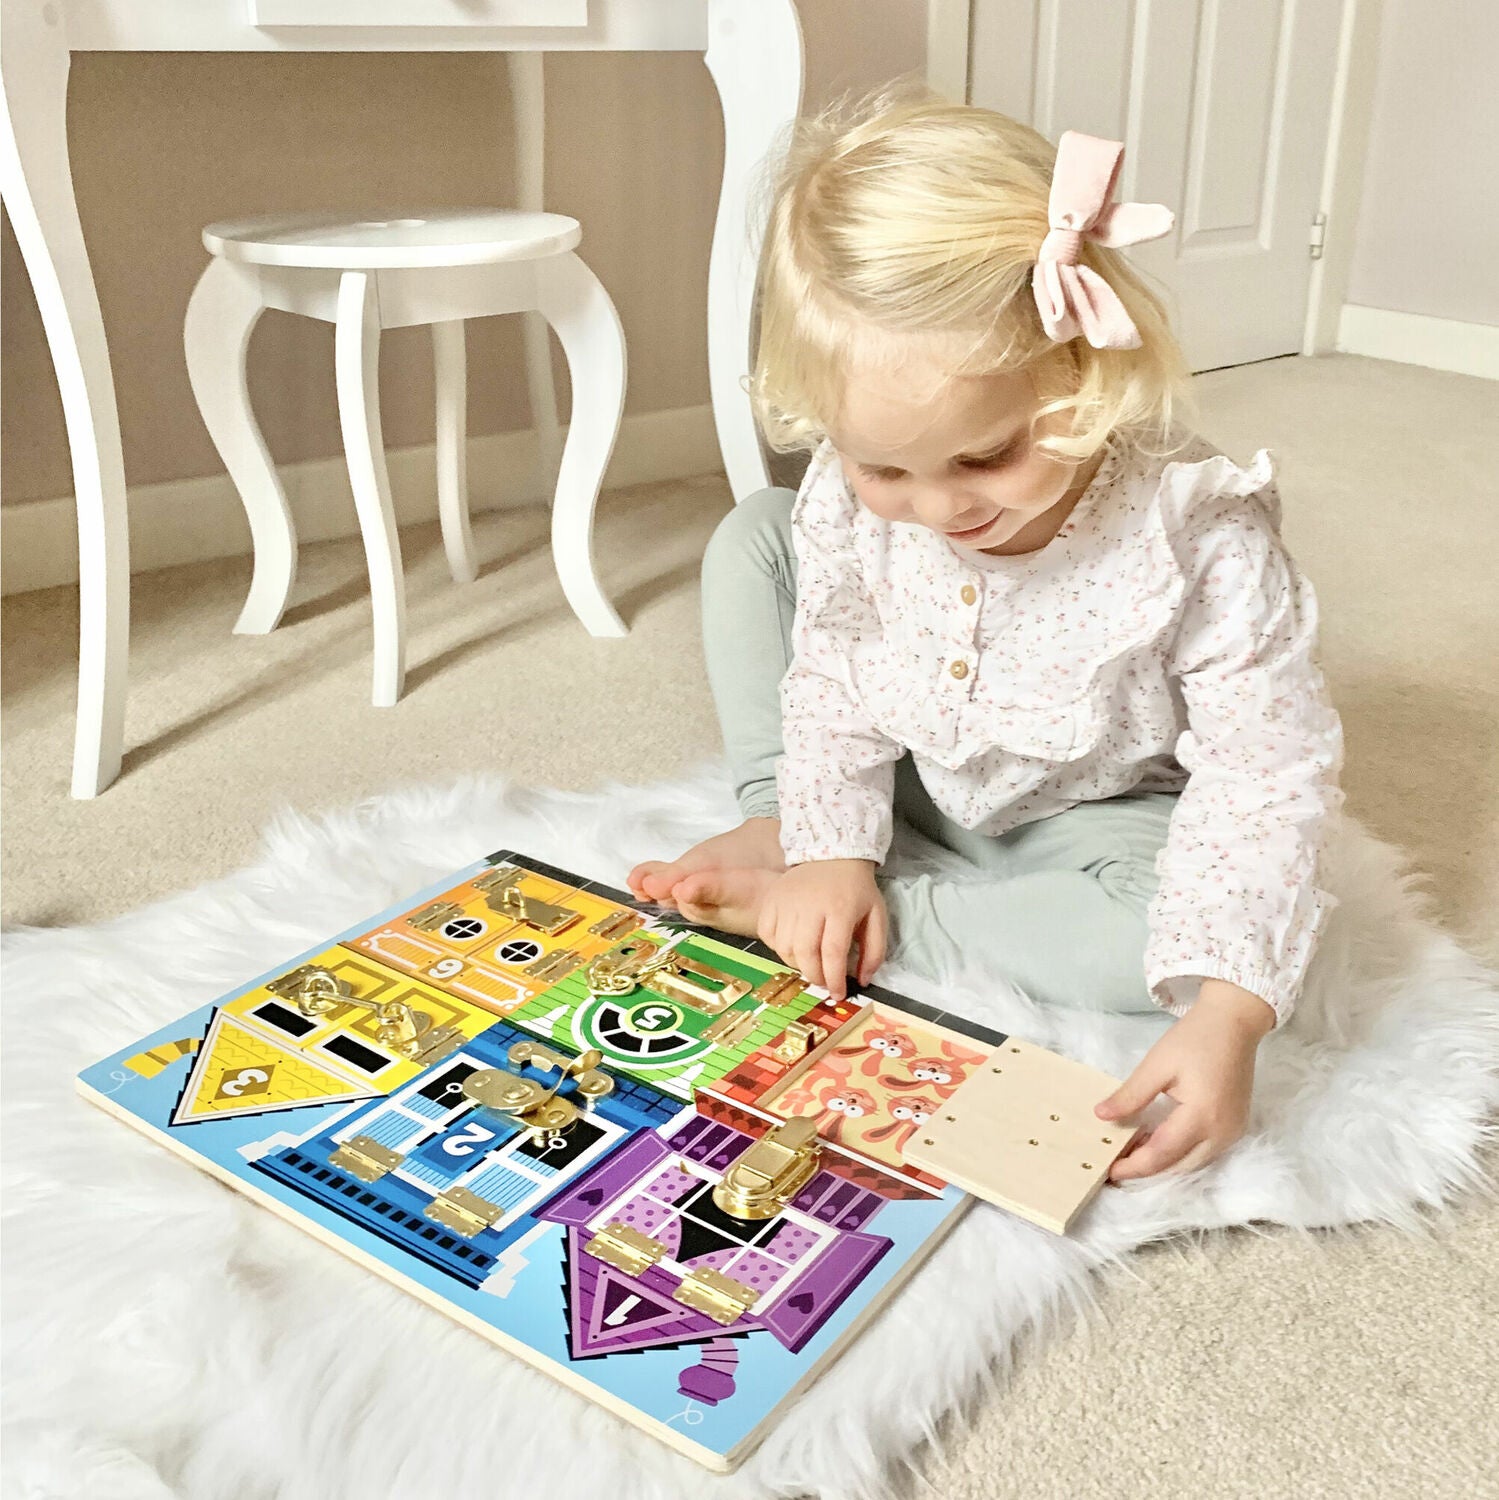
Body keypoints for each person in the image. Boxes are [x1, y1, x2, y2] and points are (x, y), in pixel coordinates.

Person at [628, 93, 1343, 1181]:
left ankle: (877, 916)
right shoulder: (848, 495)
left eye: (984, 458)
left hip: (1094, 811)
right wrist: (826, 843)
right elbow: (832, 668)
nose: (937, 508)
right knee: (753, 540)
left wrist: (1230, 1012)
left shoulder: (1199, 536)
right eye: (883, 467)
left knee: (1177, 949)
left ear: (1083, 371)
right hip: (915, 755)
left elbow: (1263, 777)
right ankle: (787, 829)